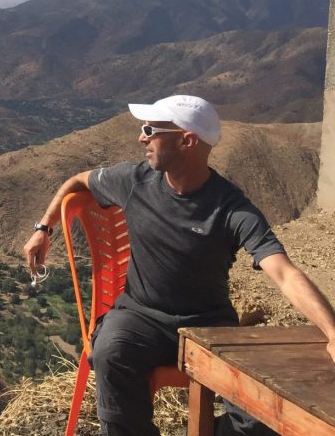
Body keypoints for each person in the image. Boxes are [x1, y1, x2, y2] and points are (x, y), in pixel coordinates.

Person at [23, 94, 335, 436]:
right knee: (111, 353)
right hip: (139, 316)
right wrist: (44, 228)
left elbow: (284, 272)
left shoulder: (231, 208)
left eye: (150, 130)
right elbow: (77, 181)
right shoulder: (134, 180)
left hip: (210, 324)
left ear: (186, 141)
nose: (142, 138)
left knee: (263, 415)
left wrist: (332, 332)